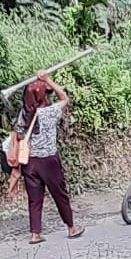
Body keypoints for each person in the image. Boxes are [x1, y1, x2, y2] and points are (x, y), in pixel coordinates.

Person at [16, 72, 85, 244]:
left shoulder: (24, 113)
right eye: (46, 93)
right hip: (48, 161)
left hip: (29, 162)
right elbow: (64, 97)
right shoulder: (49, 112)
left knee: (35, 198)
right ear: (43, 96)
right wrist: (48, 80)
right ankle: (71, 228)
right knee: (59, 194)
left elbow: (19, 133)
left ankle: (35, 234)